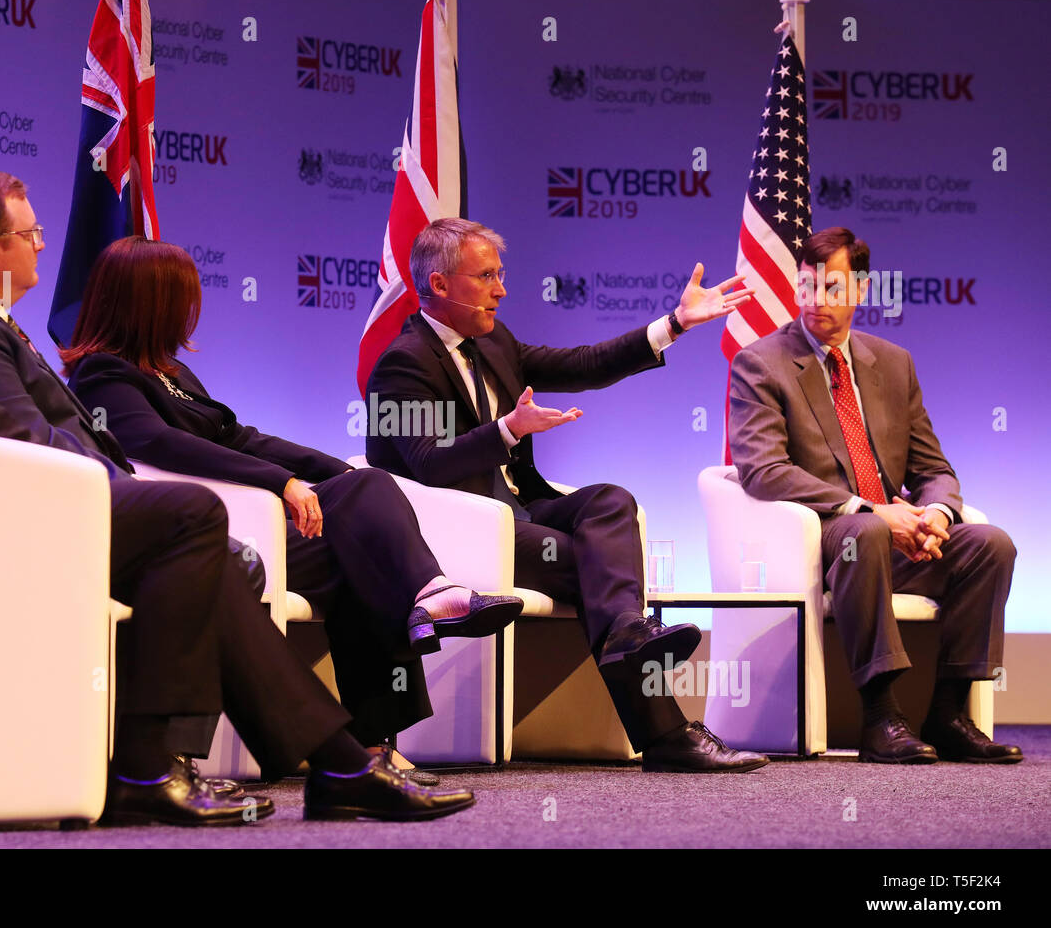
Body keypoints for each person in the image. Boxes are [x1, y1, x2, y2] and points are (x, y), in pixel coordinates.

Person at [0, 102, 476, 824]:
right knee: (191, 515)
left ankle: (304, 762)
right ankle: (235, 765)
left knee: (204, 538)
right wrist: (76, 477)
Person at [59, 236, 524, 777]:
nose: (191, 313)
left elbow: (240, 437)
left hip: (247, 529)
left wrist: (337, 471)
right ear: (149, 303)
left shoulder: (173, 375)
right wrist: (282, 483)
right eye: (182, 299)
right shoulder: (104, 375)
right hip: (213, 536)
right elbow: (162, 446)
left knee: (362, 543)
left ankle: (373, 745)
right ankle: (432, 597)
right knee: (364, 543)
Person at [365, 217, 768, 773]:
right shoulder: (402, 363)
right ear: (439, 284)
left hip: (518, 510)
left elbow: (582, 365)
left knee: (611, 501)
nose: (501, 290)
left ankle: (628, 637)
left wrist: (673, 324)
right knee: (600, 572)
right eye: (486, 277)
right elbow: (427, 463)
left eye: (500, 275)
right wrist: (508, 430)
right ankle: (663, 725)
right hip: (455, 532)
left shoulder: (494, 342)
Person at [728, 226, 1020, 765]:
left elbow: (932, 466)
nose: (817, 300)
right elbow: (763, 471)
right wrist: (872, 511)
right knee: (863, 533)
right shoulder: (761, 363)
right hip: (823, 538)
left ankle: (950, 715)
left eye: (832, 288)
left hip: (892, 539)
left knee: (990, 544)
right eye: (807, 285)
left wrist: (933, 513)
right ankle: (881, 715)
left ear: (861, 290)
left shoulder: (893, 363)